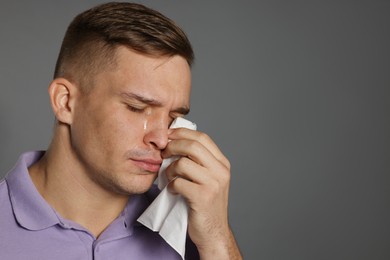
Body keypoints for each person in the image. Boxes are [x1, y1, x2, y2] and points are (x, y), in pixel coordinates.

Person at [0, 2, 242, 259]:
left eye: (174, 117)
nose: (162, 139)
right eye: (136, 108)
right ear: (65, 102)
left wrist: (217, 239)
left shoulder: (193, 231)